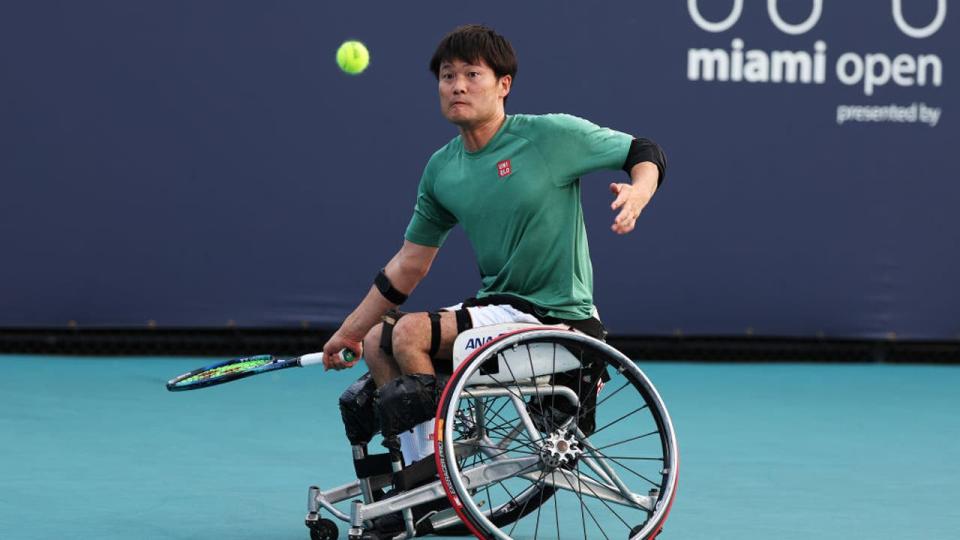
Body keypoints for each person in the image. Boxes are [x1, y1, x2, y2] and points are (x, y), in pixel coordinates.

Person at [324, 24, 666, 463]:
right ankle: (417, 478)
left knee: (409, 333)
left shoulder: (549, 137)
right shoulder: (442, 169)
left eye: (472, 74)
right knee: (376, 340)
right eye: (448, 76)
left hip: (560, 318)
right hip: (499, 311)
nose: (457, 86)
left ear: (504, 85)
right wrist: (348, 333)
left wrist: (639, 191)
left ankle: (436, 474)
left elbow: (643, 151)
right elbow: (409, 265)